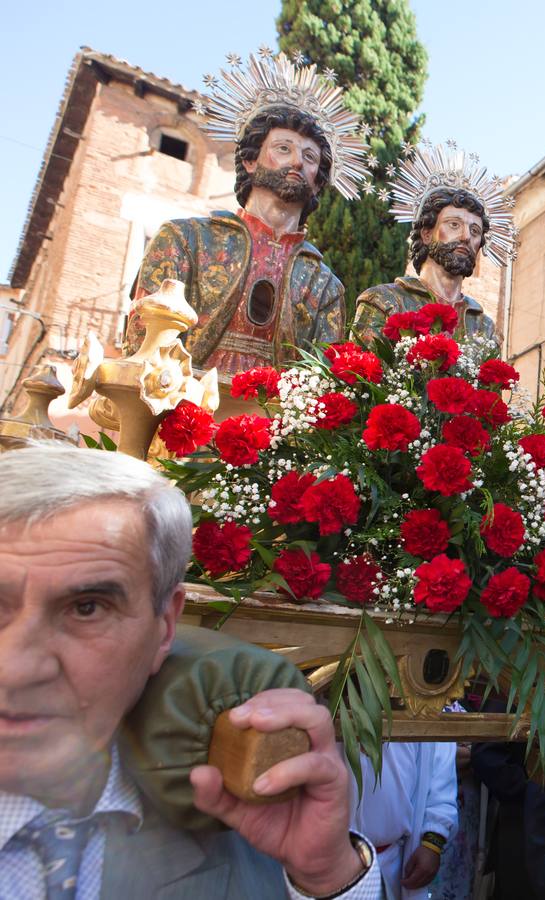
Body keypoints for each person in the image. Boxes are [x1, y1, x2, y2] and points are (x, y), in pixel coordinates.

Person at [0, 442, 381, 898]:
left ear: (165, 627)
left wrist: (327, 876)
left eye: (86, 608)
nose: (15, 669)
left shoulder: (251, 829)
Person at [128, 50, 365, 377]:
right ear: (251, 161)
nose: (297, 161)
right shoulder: (186, 240)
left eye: (310, 157)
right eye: (284, 148)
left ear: (318, 181)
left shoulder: (324, 285)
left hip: (277, 421)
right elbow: (141, 348)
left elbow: (322, 383)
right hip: (182, 413)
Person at [353, 142, 516, 344]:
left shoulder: (485, 329)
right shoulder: (384, 301)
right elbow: (359, 370)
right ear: (427, 233)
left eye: (475, 231)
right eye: (454, 224)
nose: (466, 236)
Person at [349, 742, 458, 899]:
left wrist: (433, 840)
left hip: (393, 861)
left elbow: (440, 768)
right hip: (325, 860)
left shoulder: (422, 717)